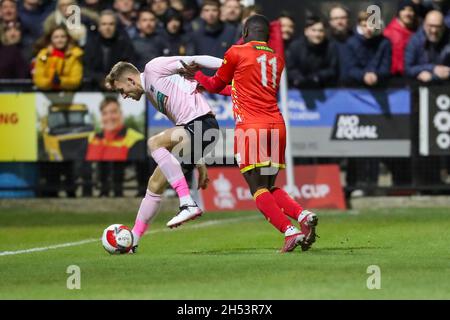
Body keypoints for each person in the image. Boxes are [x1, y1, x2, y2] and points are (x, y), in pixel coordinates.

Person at [185, 15, 319, 253]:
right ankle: (303, 215)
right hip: (276, 126)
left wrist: (196, 75)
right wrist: (205, 84)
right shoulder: (277, 59)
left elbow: (217, 84)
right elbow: (241, 88)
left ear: (245, 31)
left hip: (251, 129)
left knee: (257, 189)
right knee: (269, 185)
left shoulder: (236, 52)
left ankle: (290, 232)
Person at [104, 55, 230, 252]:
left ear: (130, 80)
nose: (124, 96)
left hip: (203, 124)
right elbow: (181, 128)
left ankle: (187, 203)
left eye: (122, 90)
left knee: (154, 142)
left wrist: (230, 66)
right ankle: (133, 241)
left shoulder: (154, 68)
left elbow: (196, 59)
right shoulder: (154, 95)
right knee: (155, 183)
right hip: (196, 132)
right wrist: (200, 162)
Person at [86, 97, 146, 197]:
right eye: (105, 113)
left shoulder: (136, 138)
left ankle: (119, 192)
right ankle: (104, 192)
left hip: (125, 167)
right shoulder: (93, 138)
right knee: (102, 165)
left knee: (119, 165)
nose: (109, 117)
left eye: (113, 112)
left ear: (121, 114)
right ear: (101, 117)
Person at [83, 9, 136, 89]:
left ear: (115, 26)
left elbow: (129, 67)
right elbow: (86, 69)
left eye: (111, 24)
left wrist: (113, 80)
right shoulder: (91, 44)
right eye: (104, 24)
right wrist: (101, 79)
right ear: (99, 26)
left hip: (120, 87)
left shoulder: (124, 44)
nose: (107, 27)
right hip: (94, 88)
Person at [287, 15, 338, 88]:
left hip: (323, 88)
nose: (317, 34)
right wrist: (299, 78)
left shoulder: (330, 46)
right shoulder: (295, 47)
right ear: (306, 31)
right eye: (313, 30)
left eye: (321, 31)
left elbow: (332, 69)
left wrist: (317, 77)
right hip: (298, 89)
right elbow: (290, 68)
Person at [32, 25, 83, 91]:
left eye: (63, 37)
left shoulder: (75, 54)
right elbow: (38, 80)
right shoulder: (43, 55)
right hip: (46, 95)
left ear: (68, 38)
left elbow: (76, 80)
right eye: (56, 37)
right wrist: (51, 82)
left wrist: (61, 81)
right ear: (50, 39)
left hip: (68, 95)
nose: (60, 40)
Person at [383, 0, 418, 76]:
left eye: (411, 10)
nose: (407, 13)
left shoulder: (416, 32)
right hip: (394, 77)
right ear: (399, 13)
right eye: (404, 10)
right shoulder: (389, 33)